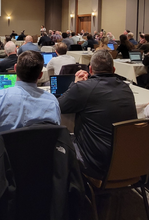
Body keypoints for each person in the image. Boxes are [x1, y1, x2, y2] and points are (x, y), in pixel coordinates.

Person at [58, 49, 137, 180]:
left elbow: (58, 106)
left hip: (96, 164)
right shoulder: (126, 88)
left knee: (59, 140)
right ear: (113, 69)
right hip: (127, 160)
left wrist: (75, 84)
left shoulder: (83, 88)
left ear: (90, 69)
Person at [0, 51, 59, 160]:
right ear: (40, 75)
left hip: (4, 168)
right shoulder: (52, 101)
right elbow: (55, 137)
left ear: (15, 68)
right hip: (42, 166)